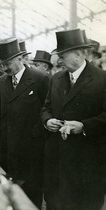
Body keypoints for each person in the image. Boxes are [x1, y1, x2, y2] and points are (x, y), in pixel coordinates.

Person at [40, 28, 106, 210]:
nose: (59, 60)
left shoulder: (102, 79)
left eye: (63, 55)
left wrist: (84, 126)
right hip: (57, 161)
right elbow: (45, 107)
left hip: (87, 162)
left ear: (79, 54)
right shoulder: (56, 79)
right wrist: (48, 121)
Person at [0, 38, 49, 208]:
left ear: (19, 59)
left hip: (32, 148)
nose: (4, 68)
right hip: (8, 145)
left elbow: (48, 108)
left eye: (7, 63)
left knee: (32, 192)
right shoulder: (3, 81)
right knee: (12, 193)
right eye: (2, 64)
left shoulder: (40, 78)